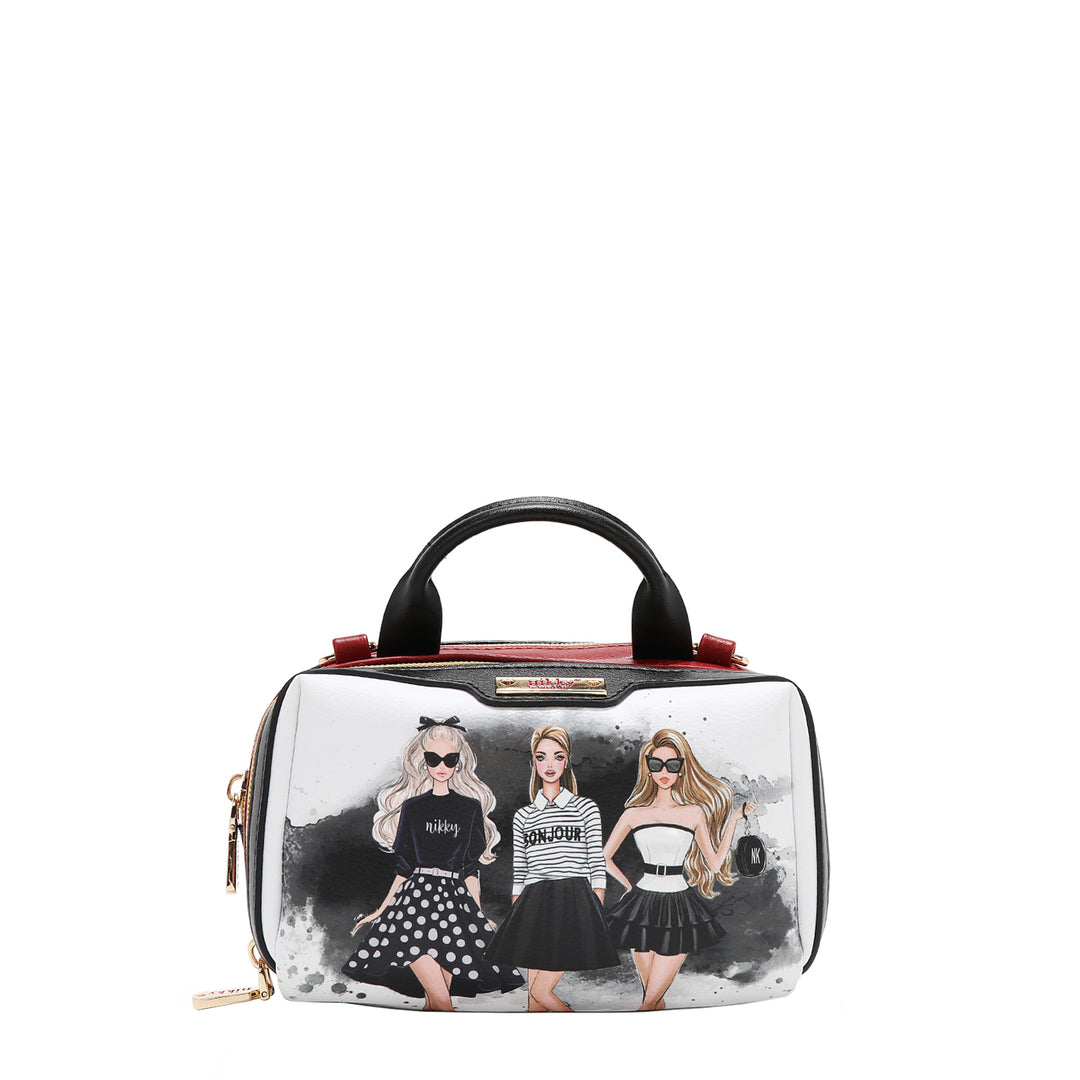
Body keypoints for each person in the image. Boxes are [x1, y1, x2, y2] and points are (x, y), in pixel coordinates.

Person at [341, 716, 524, 1010]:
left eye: (450, 759)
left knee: (436, 1004)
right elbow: (404, 867)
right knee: (442, 1001)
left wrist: (477, 913)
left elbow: (470, 869)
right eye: (433, 759)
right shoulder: (412, 807)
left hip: (455, 904)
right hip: (414, 903)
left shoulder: (470, 808)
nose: (441, 766)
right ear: (423, 762)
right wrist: (382, 910)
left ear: (459, 763)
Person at [603, 728, 758, 1011]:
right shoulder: (633, 813)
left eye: (672, 765)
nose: (664, 771)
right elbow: (604, 857)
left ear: (681, 770)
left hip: (678, 904)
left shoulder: (693, 813)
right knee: (653, 1000)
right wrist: (627, 887)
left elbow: (713, 863)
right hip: (641, 905)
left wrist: (735, 819)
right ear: (648, 769)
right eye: (656, 764)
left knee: (649, 1002)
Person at [484, 725, 619, 1011]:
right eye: (541, 757)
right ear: (533, 761)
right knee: (533, 1000)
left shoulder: (585, 808)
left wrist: (596, 900)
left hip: (574, 896)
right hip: (533, 900)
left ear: (566, 761)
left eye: (557, 757)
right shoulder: (524, 815)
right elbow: (520, 867)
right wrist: (518, 905)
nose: (549, 764)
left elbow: (596, 860)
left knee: (541, 991)